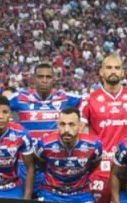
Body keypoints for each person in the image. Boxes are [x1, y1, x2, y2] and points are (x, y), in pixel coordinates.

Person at [79, 54, 127, 203]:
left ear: (122, 72)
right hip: (100, 167)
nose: (113, 71)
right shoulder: (89, 100)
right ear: (101, 72)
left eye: (117, 68)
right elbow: (77, 132)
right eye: (109, 67)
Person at [8, 62, 83, 195]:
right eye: (40, 77)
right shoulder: (20, 98)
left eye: (48, 77)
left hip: (51, 163)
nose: (44, 80)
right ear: (34, 79)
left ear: (53, 79)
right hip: (25, 163)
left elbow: (87, 101)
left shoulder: (64, 98)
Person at [33, 108, 103, 203]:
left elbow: (93, 165)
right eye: (62, 124)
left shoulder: (94, 145)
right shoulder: (44, 144)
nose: (66, 130)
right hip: (50, 194)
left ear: (80, 126)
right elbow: (40, 164)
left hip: (81, 194)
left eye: (71, 124)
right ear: (57, 125)